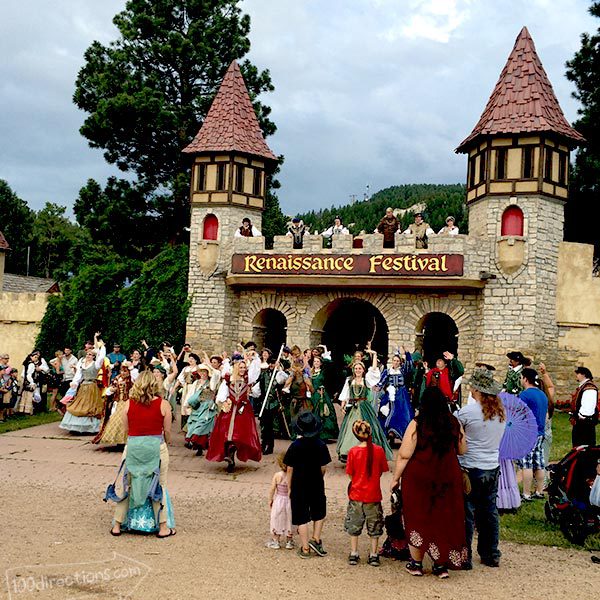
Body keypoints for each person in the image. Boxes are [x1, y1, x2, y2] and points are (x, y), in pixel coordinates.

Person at [390, 387, 468, 578]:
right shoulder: (453, 423)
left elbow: (404, 454)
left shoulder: (418, 423)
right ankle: (440, 565)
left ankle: (416, 563)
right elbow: (463, 449)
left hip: (420, 476)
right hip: (447, 475)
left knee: (417, 515)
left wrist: (395, 479)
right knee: (443, 517)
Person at [110, 371, 175, 537]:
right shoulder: (164, 404)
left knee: (128, 484)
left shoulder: (128, 404)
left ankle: (117, 525)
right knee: (159, 485)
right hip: (155, 446)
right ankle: (163, 527)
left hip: (133, 446)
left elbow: (126, 430)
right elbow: (167, 430)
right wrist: (166, 442)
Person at [457, 369, 506, 569]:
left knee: (467, 513)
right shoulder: (501, 412)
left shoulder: (467, 413)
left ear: (476, 390)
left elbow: (456, 432)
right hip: (492, 465)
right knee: (489, 512)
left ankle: (464, 555)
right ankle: (490, 553)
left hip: (470, 466)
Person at [284, 411, 331, 559]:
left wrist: (289, 486)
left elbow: (290, 469)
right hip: (316, 481)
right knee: (319, 510)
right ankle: (316, 539)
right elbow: (324, 467)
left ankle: (305, 548)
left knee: (301, 516)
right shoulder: (321, 445)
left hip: (299, 483)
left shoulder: (295, 446)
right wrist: (319, 476)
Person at [345, 420, 389, 567]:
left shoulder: (353, 452)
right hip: (373, 494)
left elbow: (351, 474)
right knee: (375, 526)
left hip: (357, 494)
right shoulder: (379, 450)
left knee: (354, 525)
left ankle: (354, 552)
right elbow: (382, 471)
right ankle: (373, 554)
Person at [207, 355, 262, 472]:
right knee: (226, 432)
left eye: (244, 367)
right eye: (241, 367)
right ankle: (230, 456)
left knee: (240, 433)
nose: (243, 369)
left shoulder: (248, 379)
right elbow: (222, 394)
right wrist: (224, 403)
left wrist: (254, 357)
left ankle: (231, 454)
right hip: (230, 408)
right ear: (237, 368)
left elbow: (256, 369)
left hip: (243, 409)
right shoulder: (228, 379)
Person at [337, 352, 393, 462]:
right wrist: (343, 406)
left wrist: (374, 355)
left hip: (364, 406)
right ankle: (350, 452)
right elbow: (345, 394)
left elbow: (374, 369)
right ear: (353, 370)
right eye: (356, 368)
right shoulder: (349, 380)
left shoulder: (366, 380)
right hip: (353, 407)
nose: (357, 370)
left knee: (367, 427)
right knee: (351, 428)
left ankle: (367, 452)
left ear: (363, 370)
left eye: (359, 368)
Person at [59, 333, 106, 433]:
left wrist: (102, 346)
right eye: (88, 354)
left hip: (92, 387)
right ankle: (76, 426)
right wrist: (74, 383)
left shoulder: (96, 364)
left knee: (91, 406)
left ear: (94, 356)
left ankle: (91, 427)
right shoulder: (82, 363)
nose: (88, 356)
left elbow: (101, 356)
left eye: (91, 355)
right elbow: (78, 375)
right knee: (79, 404)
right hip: (83, 386)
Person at [518, 368, 548, 501]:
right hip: (540, 432)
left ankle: (526, 493)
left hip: (528, 433)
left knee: (527, 464)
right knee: (539, 462)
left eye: (521, 377)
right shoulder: (542, 394)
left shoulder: (525, 395)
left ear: (525, 379)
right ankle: (539, 491)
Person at [376, 348, 414, 441]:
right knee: (386, 412)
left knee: (403, 413)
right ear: (392, 361)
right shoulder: (387, 371)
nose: (396, 362)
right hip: (390, 394)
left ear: (400, 362)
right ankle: (389, 433)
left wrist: (407, 353)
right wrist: (377, 387)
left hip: (401, 395)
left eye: (398, 361)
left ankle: (400, 433)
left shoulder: (402, 371)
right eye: (394, 360)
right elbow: (381, 381)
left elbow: (410, 365)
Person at [254, 356, 288, 454]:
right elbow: (259, 386)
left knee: (271, 426)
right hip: (264, 403)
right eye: (270, 363)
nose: (271, 365)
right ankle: (263, 444)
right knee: (264, 425)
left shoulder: (279, 375)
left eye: (273, 363)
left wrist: (279, 369)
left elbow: (283, 380)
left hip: (274, 403)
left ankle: (270, 446)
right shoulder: (264, 374)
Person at [93, 362, 132, 446]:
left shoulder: (132, 380)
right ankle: (118, 440)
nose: (123, 373)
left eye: (125, 371)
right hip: (118, 402)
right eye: (121, 371)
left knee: (126, 419)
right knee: (116, 419)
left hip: (128, 402)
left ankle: (125, 441)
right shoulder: (117, 379)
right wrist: (112, 390)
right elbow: (108, 391)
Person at [184, 362, 218, 456]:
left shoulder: (211, 382)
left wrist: (209, 365)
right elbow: (191, 394)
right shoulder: (196, 383)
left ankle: (193, 442)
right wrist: (187, 404)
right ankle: (198, 446)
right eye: (201, 371)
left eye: (204, 371)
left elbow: (216, 374)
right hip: (197, 406)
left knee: (202, 424)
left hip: (207, 407)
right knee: (194, 423)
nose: (202, 373)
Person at [266, 453, 294, 550]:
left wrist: (270, 499)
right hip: (289, 500)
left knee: (277, 518)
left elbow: (272, 488)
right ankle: (289, 541)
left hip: (279, 500)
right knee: (289, 519)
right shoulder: (293, 475)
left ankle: (276, 541)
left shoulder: (277, 475)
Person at [309, 353, 339, 442]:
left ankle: (324, 435)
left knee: (325, 413)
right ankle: (314, 433)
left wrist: (324, 355)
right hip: (313, 395)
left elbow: (330, 363)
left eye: (318, 361)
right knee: (313, 413)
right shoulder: (310, 372)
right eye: (315, 361)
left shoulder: (323, 371)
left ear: (321, 363)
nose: (316, 363)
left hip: (322, 395)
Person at [570, 366, 598, 447]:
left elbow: (588, 407)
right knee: (578, 446)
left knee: (585, 446)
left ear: (584, 375)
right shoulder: (583, 386)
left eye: (578, 373)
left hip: (585, 423)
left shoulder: (589, 388)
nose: (576, 375)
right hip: (580, 423)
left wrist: (581, 416)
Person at [16, 350, 49, 415]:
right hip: (31, 382)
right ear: (31, 356)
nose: (37, 357)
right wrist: (32, 382)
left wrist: (41, 368)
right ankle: (28, 411)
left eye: (37, 356)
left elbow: (47, 370)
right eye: (35, 356)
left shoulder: (36, 361)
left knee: (30, 396)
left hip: (37, 381)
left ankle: (29, 410)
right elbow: (28, 374)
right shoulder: (31, 364)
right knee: (30, 397)